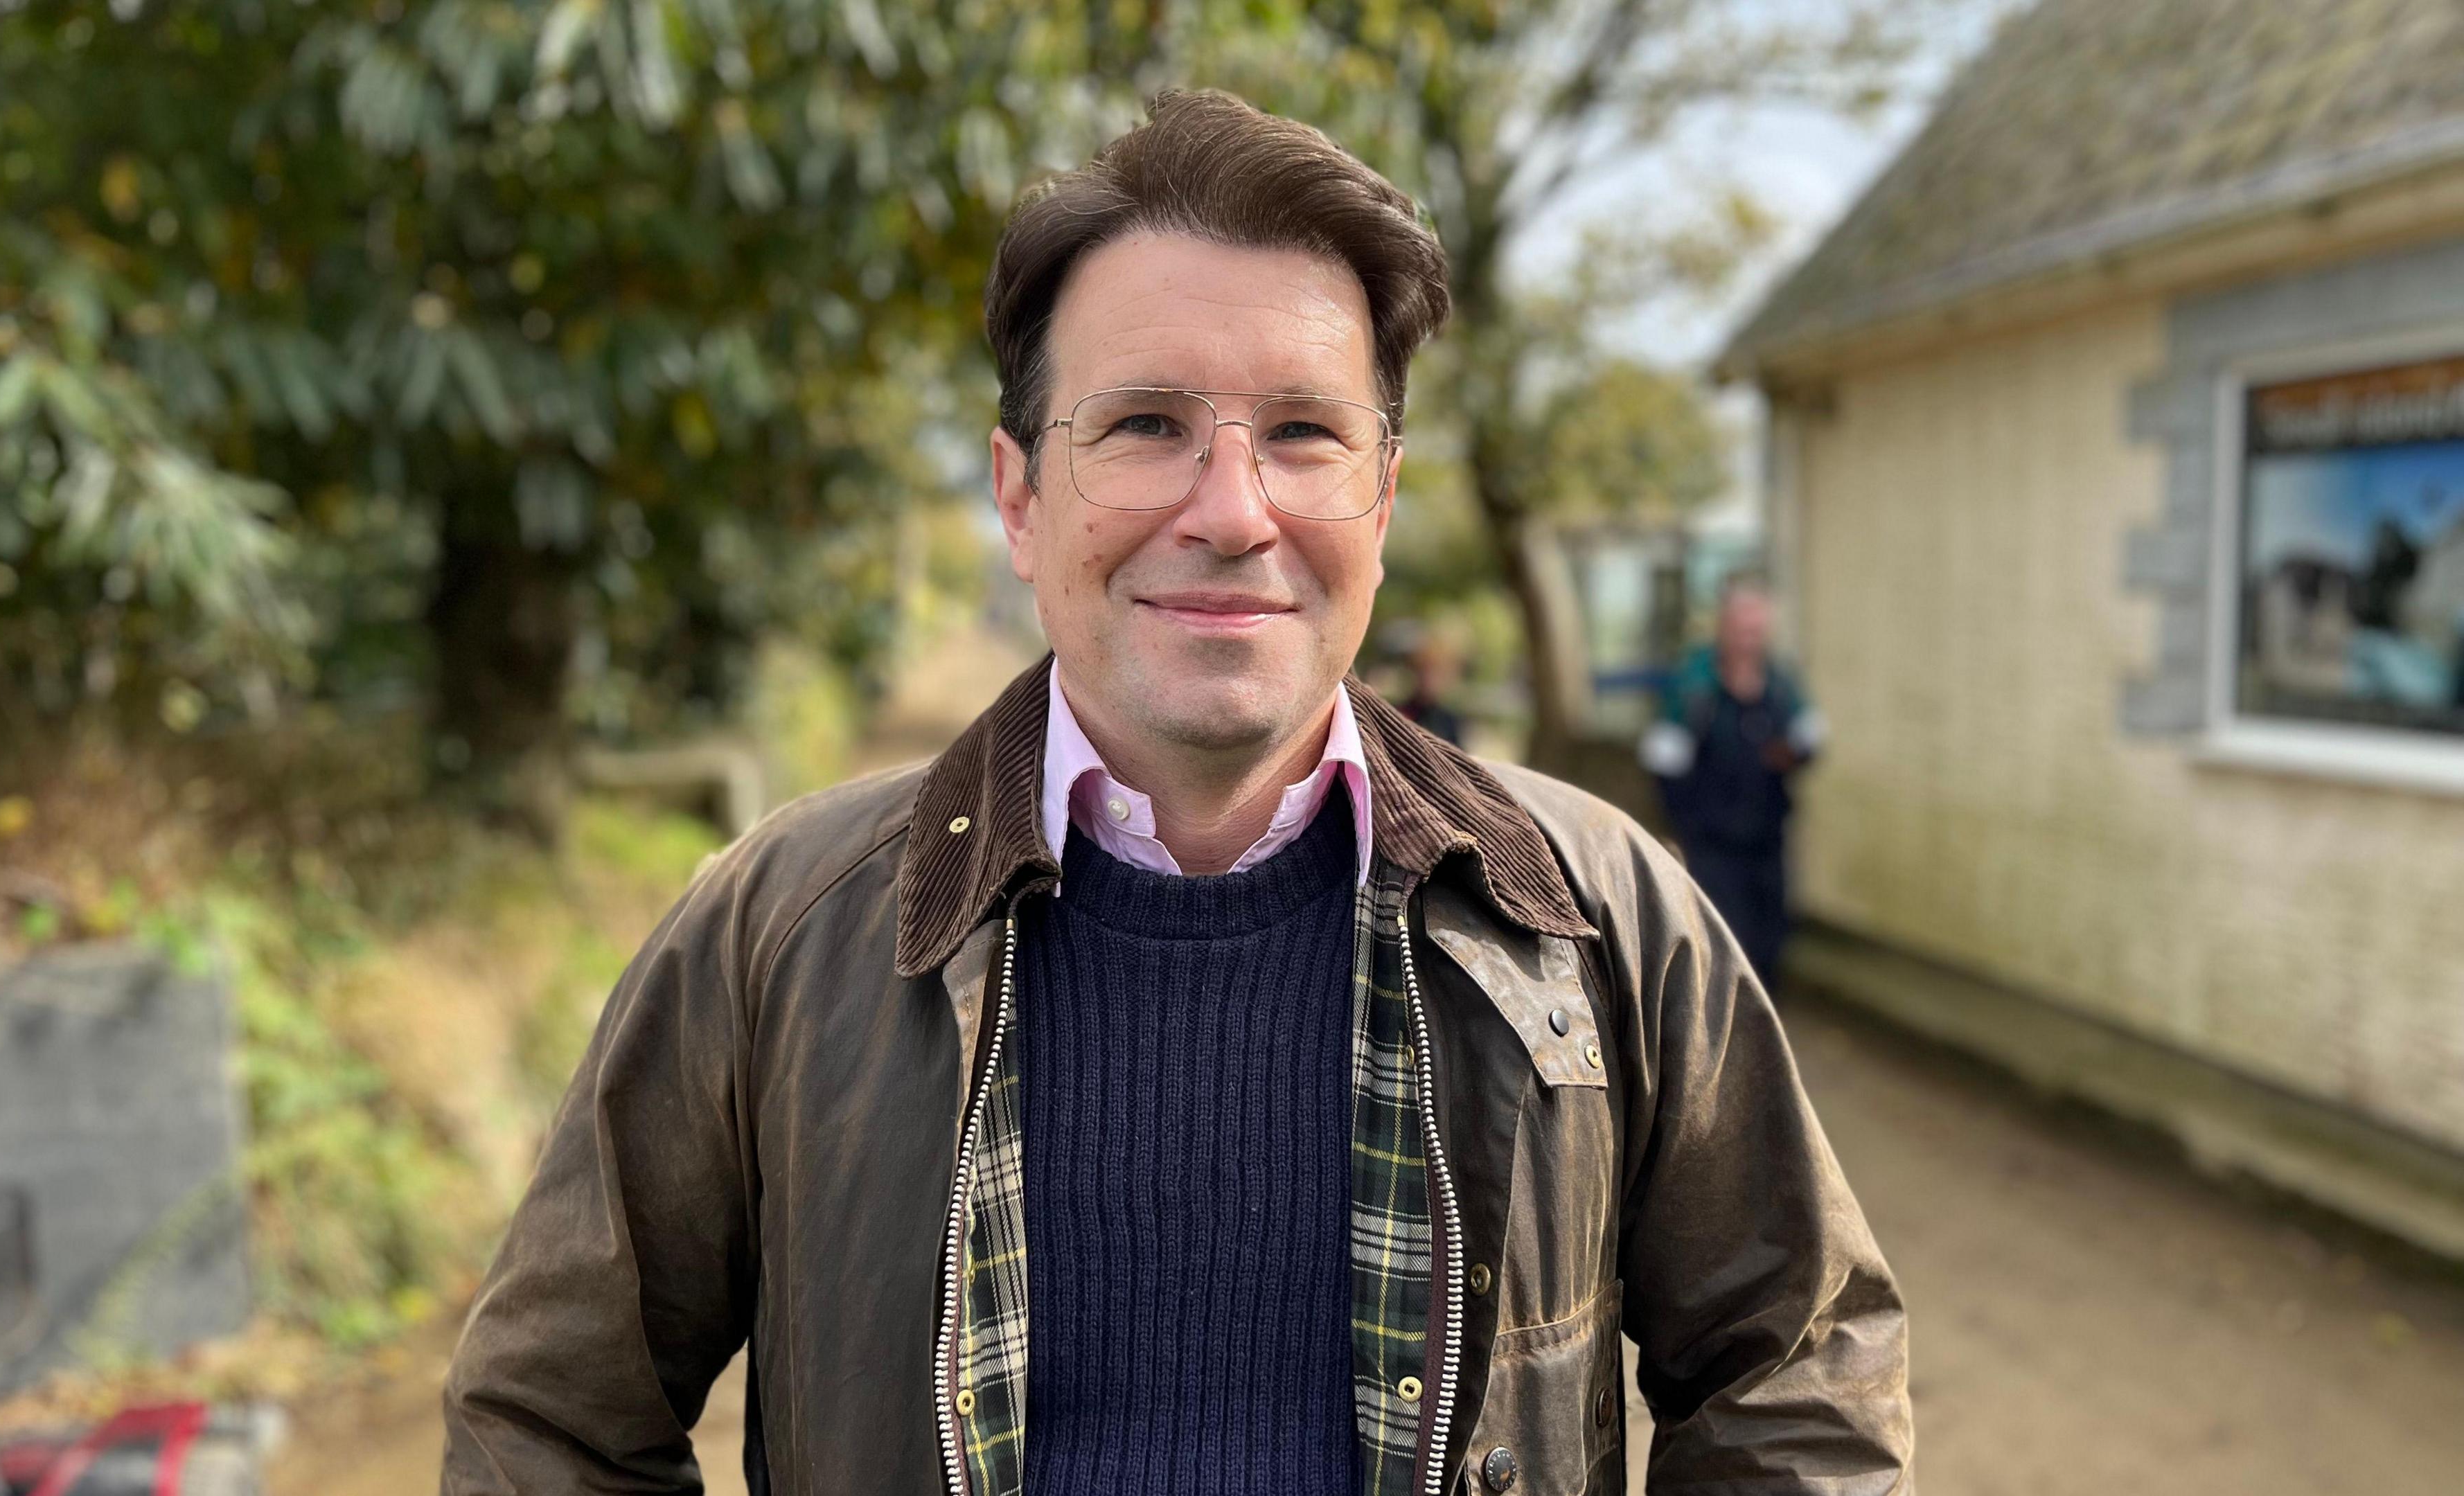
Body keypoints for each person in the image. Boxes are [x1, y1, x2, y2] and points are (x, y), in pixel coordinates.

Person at [443, 90, 1907, 1496]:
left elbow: (1800, 1365)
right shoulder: (779, 932)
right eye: (1145, 426)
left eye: (1304, 435)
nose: (1230, 510)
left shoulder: (1593, 914)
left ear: (1382, 504)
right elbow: (551, 1418)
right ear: (1020, 499)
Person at [1639, 579, 1825, 989]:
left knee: (1770, 938)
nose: (1750, 639)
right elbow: (1661, 760)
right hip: (1712, 842)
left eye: (1758, 630)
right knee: (1726, 939)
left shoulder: (1779, 682)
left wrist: (1789, 753)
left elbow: (1810, 738)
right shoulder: (1694, 683)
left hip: (1767, 837)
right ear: (1723, 627)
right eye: (1742, 629)